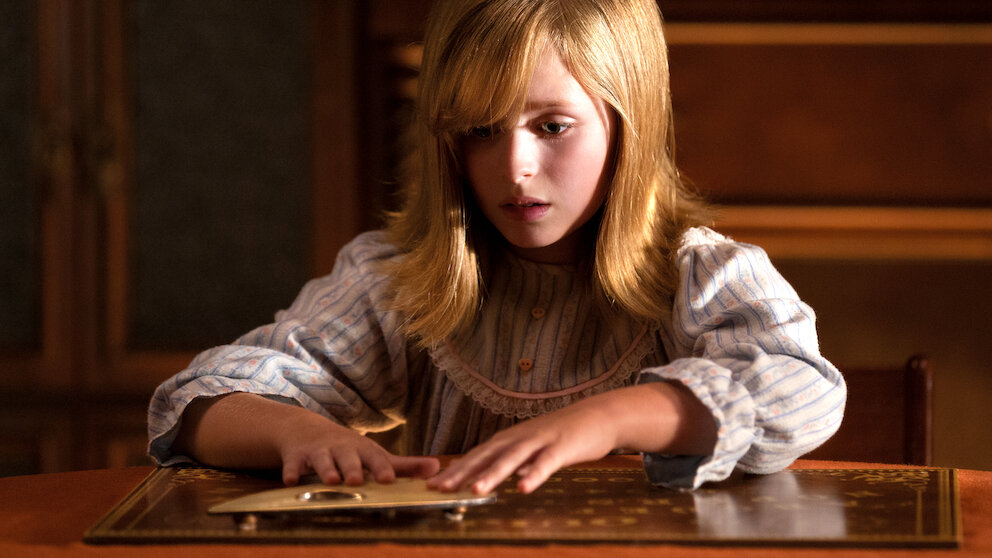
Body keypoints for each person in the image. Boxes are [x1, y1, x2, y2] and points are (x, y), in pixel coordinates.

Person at [147, 0, 846, 493]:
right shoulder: (399, 279)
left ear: (629, 123)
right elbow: (198, 401)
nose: (515, 168)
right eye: (482, 130)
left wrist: (609, 420)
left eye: (551, 127)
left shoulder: (702, 274)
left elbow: (803, 392)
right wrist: (300, 434)